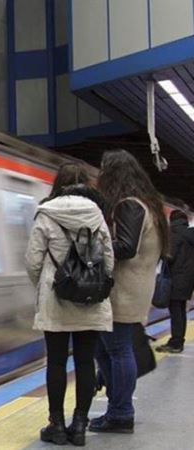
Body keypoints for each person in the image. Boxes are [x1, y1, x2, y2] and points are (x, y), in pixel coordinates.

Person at [25, 162, 114, 446]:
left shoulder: (46, 213)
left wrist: (48, 283)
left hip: (55, 299)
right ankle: (79, 426)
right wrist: (94, 282)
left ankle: (57, 426)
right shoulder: (97, 214)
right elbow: (109, 261)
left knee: (57, 362)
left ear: (58, 184)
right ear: (87, 185)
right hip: (90, 300)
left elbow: (33, 261)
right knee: (86, 361)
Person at [91, 149, 169, 434]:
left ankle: (122, 413)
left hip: (124, 290)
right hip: (135, 287)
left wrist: (94, 249)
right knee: (107, 348)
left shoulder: (129, 205)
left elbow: (125, 247)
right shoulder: (149, 205)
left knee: (118, 349)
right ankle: (117, 408)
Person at [157, 209, 194, 353]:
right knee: (180, 310)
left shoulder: (174, 234)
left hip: (176, 278)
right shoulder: (190, 234)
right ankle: (178, 340)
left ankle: (176, 343)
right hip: (188, 280)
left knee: (175, 311)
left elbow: (169, 256)